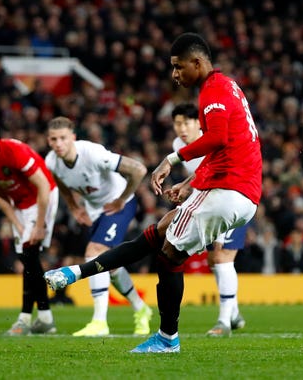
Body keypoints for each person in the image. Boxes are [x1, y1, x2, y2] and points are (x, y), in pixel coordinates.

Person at [44, 32, 262, 353]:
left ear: (197, 63)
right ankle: (77, 272)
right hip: (242, 191)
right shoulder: (228, 86)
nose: (174, 74)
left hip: (229, 189)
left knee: (169, 254)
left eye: (178, 67)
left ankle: (167, 338)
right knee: (160, 232)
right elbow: (228, 144)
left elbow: (217, 138)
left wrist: (171, 160)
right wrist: (189, 183)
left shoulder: (213, 90)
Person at [45, 116, 153, 336]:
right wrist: (74, 207)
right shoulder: (51, 162)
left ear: (73, 138)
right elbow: (61, 182)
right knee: (109, 265)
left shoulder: (92, 153)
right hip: (96, 211)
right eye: (54, 139)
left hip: (118, 204)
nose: (59, 144)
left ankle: (99, 322)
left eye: (63, 138)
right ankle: (141, 308)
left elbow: (138, 169)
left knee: (94, 253)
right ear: (48, 141)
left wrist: (122, 199)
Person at [0, 111, 58, 335]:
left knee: (28, 254)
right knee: (28, 258)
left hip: (42, 198)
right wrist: (16, 221)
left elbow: (44, 186)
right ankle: (45, 318)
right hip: (20, 205)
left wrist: (39, 226)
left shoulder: (14, 152)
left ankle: (25, 319)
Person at [171, 103, 248, 337]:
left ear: (198, 123)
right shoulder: (178, 145)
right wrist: (186, 188)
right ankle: (233, 313)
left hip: (235, 194)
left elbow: (216, 167)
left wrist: (187, 187)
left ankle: (224, 321)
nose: (182, 128)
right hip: (212, 200)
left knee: (221, 255)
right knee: (214, 261)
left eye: (187, 122)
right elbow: (200, 173)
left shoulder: (212, 139)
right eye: (177, 123)